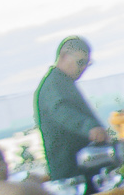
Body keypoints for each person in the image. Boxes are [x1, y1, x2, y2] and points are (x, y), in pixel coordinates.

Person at [33, 37, 111, 184]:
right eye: (80, 62)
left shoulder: (62, 82)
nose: (83, 68)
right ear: (63, 56)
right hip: (72, 175)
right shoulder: (53, 85)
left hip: (81, 170)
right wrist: (90, 127)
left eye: (87, 63)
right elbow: (62, 111)